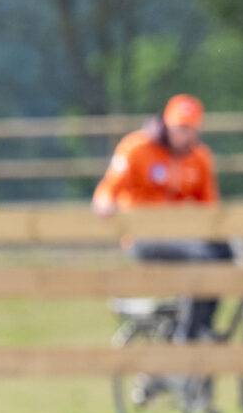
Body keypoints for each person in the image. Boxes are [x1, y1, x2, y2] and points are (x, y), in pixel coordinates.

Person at [97, 94, 226, 340]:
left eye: (189, 128)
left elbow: (211, 208)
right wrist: (104, 204)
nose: (184, 134)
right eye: (179, 127)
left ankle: (203, 326)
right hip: (143, 236)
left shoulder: (199, 157)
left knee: (224, 253)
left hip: (182, 235)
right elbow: (108, 188)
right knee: (202, 259)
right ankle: (187, 339)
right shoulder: (136, 148)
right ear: (166, 123)